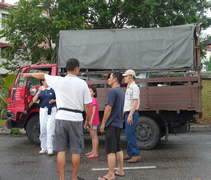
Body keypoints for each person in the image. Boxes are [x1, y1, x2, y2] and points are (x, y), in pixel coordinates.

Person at [21, 58, 92, 180]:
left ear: (67, 68)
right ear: (77, 68)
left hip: (60, 117)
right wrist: (89, 120)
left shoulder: (59, 80)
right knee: (75, 151)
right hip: (76, 118)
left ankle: (62, 178)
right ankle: (74, 178)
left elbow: (43, 75)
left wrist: (28, 74)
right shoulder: (82, 83)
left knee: (61, 150)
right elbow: (87, 105)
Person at [98, 72, 125, 180]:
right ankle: (120, 170)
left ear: (115, 80)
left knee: (111, 150)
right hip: (118, 123)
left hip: (112, 124)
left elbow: (108, 108)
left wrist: (103, 123)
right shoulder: (121, 91)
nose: (108, 79)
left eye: (110, 78)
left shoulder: (113, 91)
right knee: (118, 148)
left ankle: (110, 174)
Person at [32, 80, 56, 155]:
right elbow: (34, 101)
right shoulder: (39, 89)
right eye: (46, 81)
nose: (48, 82)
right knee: (43, 129)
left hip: (52, 109)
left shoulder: (52, 89)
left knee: (50, 129)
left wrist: (54, 101)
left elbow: (58, 99)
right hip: (43, 110)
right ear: (42, 82)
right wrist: (38, 92)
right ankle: (43, 147)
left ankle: (50, 148)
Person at [122, 69, 141, 163]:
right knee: (128, 134)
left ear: (131, 77)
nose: (124, 77)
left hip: (131, 113)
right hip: (128, 113)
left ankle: (136, 154)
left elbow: (135, 102)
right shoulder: (129, 87)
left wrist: (130, 115)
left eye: (126, 76)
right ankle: (130, 153)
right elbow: (128, 102)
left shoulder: (135, 87)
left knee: (129, 134)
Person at [85, 86, 99, 159]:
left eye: (90, 91)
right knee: (92, 136)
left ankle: (95, 152)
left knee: (94, 136)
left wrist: (90, 121)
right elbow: (88, 113)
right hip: (90, 121)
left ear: (94, 93)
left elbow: (93, 112)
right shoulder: (89, 100)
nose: (89, 92)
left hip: (93, 121)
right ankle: (93, 151)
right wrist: (86, 122)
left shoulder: (94, 100)